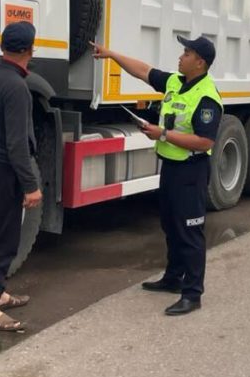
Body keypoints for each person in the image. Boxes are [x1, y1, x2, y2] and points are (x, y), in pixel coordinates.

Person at [91, 35, 222, 316]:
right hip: (171, 168)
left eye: (186, 53)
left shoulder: (207, 97)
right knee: (171, 225)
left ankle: (193, 293)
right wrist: (111, 54)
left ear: (199, 62)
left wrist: (162, 133)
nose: (180, 56)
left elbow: (205, 142)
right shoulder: (176, 82)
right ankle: (173, 278)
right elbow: (143, 70)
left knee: (190, 232)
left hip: (192, 171)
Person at [0, 21, 44, 331]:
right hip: (4, 171)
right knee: (4, 240)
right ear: (30, 49)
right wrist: (31, 186)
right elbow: (17, 144)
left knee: (0, 235)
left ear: (3, 47)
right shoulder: (17, 87)